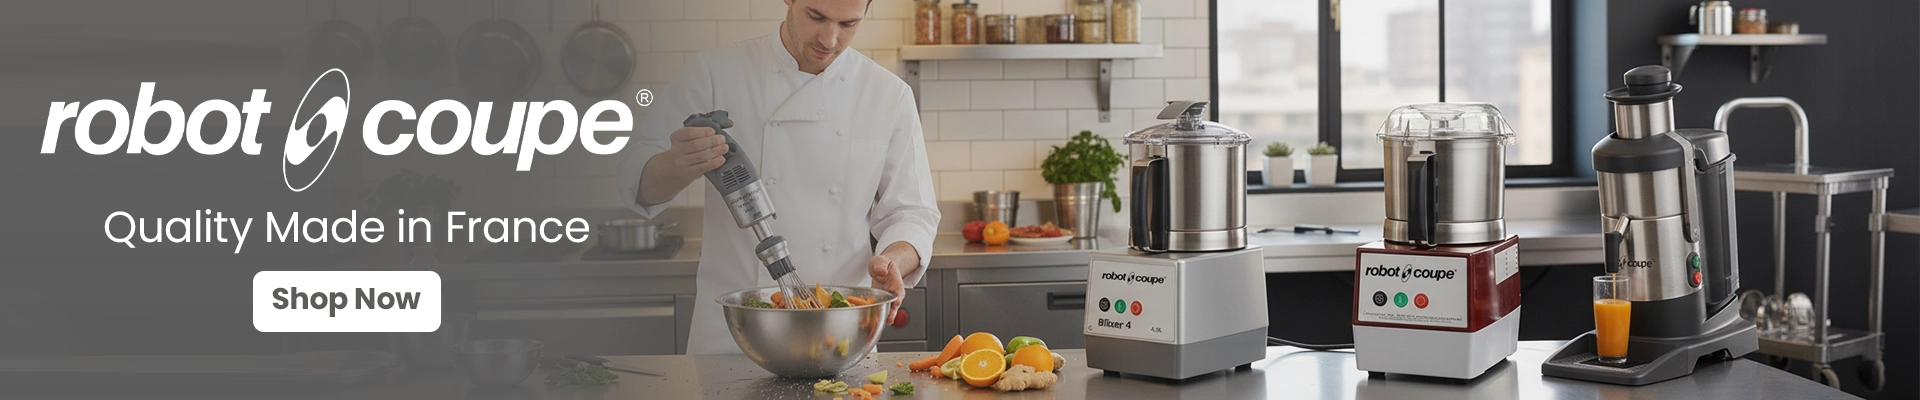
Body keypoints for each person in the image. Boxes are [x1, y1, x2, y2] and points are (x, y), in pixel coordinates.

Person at [618, 0, 938, 355]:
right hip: (732, 339)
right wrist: (677, 164)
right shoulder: (714, 72)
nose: (829, 39)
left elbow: (913, 213)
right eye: (816, 16)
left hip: (838, 338)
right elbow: (638, 183)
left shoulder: (887, 95)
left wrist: (894, 258)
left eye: (848, 24)